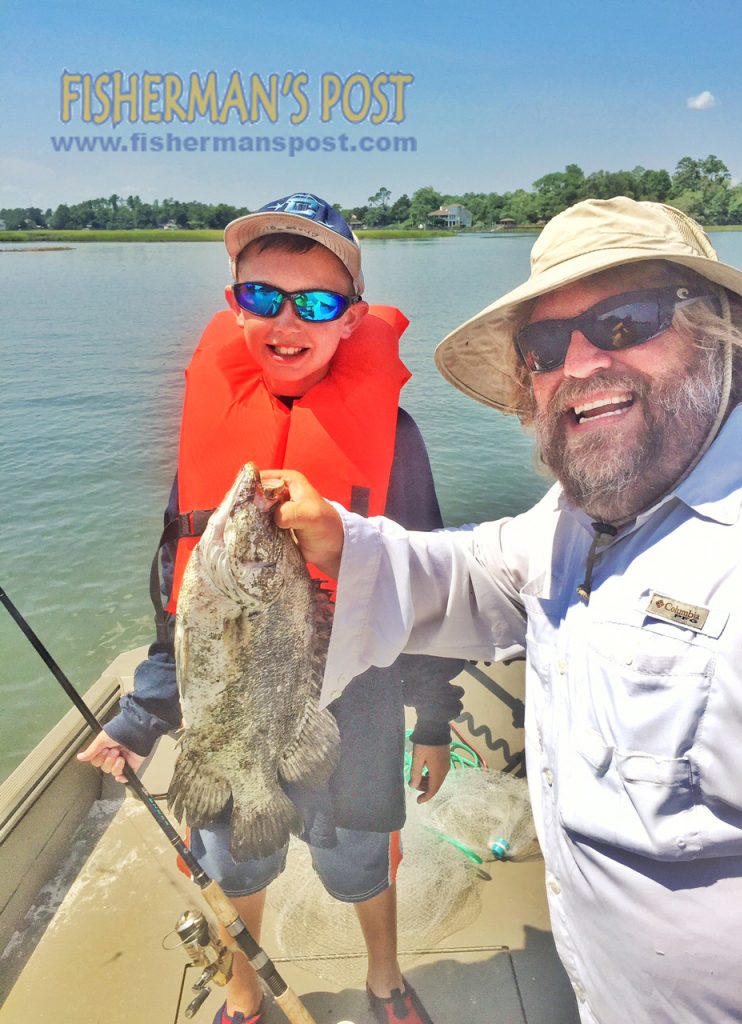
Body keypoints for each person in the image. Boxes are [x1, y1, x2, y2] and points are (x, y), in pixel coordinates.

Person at [270, 197, 742, 1024]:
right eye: (542, 344)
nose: (575, 365)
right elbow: (486, 571)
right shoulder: (584, 512)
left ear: (724, 333)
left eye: (622, 322)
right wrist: (345, 543)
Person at [79, 193, 464, 1024]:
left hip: (354, 713)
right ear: (233, 302)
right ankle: (245, 995)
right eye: (262, 297)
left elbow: (427, 588)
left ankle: (385, 979)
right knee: (234, 866)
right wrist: (141, 718)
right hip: (225, 714)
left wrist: (432, 721)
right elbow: (178, 614)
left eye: (317, 303)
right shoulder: (205, 438)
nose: (287, 321)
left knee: (363, 862)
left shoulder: (394, 437)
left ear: (352, 319)